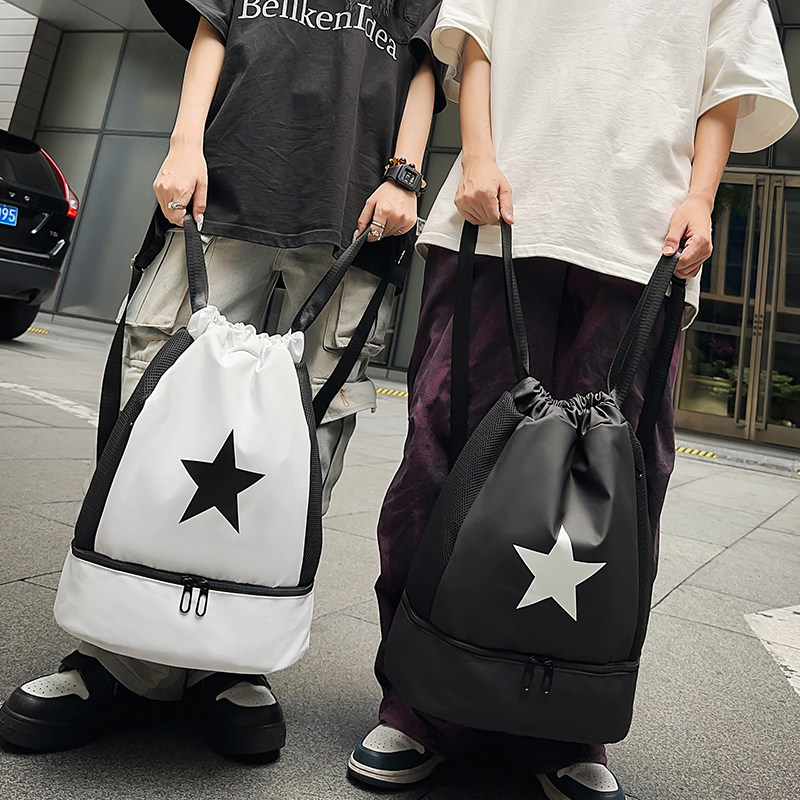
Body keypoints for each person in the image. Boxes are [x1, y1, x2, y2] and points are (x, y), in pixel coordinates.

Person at [347, 1, 796, 798]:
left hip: (642, 238)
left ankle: (564, 722)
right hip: (498, 212)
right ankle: (420, 704)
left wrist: (702, 197)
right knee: (445, 459)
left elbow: (726, 81)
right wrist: (477, 156)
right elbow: (474, 41)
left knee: (615, 489)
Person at [0, 0, 444, 758]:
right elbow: (214, 22)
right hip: (225, 183)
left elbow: (426, 60)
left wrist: (406, 174)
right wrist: (183, 144)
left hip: (357, 210)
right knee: (153, 396)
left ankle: (230, 658)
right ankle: (116, 654)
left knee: (306, 437)